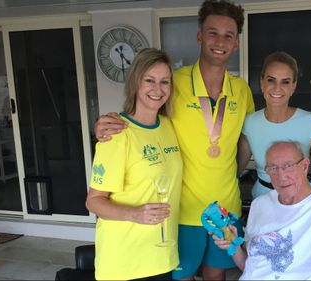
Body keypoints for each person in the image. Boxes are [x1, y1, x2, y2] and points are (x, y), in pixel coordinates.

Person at [93, 1, 254, 279]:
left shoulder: (241, 90)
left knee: (216, 275)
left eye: (229, 35)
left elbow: (245, 141)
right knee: (182, 275)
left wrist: (236, 172)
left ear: (237, 42)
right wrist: (107, 124)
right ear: (200, 36)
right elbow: (143, 115)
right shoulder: (174, 82)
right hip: (182, 211)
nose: (220, 41)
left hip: (226, 207)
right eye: (212, 33)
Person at [85, 48, 182, 280]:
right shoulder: (117, 133)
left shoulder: (169, 127)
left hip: (161, 256)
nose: (157, 89)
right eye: (149, 80)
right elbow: (94, 202)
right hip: (126, 261)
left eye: (164, 81)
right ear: (135, 83)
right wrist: (134, 214)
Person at [214, 141, 311, 280]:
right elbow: (251, 265)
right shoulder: (259, 204)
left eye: (288, 166)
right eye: (273, 168)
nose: (281, 176)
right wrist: (232, 244)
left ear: (304, 166)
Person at [237, 51, 311, 199]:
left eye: (285, 82)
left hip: (299, 201)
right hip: (262, 200)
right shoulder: (250, 122)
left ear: (293, 86)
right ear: (262, 83)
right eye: (271, 80)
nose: (277, 88)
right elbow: (236, 169)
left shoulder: (310, 121)